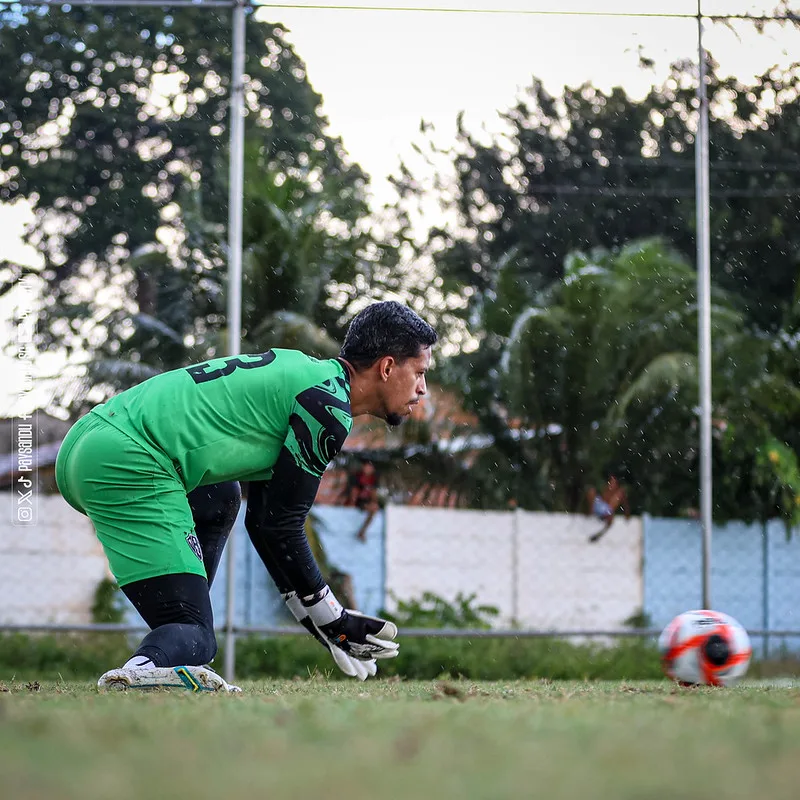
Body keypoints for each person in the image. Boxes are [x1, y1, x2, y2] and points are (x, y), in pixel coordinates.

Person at [55, 301, 436, 691]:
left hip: (87, 441)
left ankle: (175, 647)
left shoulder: (308, 378)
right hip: (127, 455)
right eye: (419, 373)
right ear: (387, 367)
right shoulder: (328, 407)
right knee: (196, 636)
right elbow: (282, 528)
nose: (422, 389)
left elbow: (266, 522)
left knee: (220, 498)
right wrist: (331, 618)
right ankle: (140, 670)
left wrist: (316, 619)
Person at [586, 475, 630, 543]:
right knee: (591, 491)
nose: (611, 484)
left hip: (607, 510)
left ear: (617, 484)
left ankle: (599, 533)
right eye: (611, 481)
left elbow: (625, 504)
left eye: (614, 482)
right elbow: (597, 497)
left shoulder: (619, 493)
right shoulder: (605, 488)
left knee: (610, 513)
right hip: (600, 506)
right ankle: (590, 513)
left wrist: (627, 515)